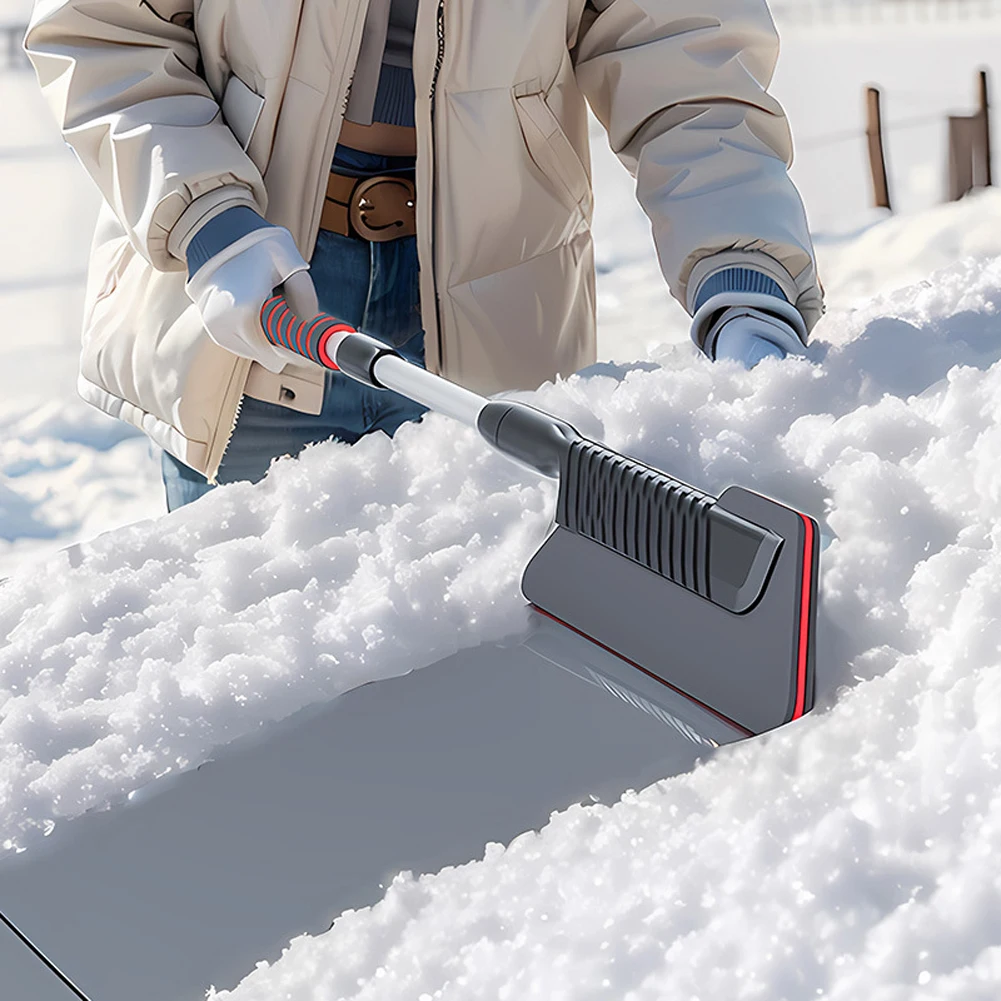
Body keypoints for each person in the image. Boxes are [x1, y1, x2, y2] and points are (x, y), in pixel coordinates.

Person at [25, 0, 823, 513]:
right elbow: (107, 32)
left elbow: (685, 60)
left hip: (497, 307)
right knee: (243, 662)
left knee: (461, 672)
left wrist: (741, 269)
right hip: (251, 300)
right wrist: (207, 218)